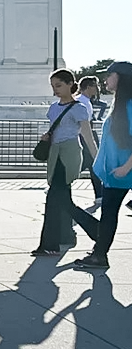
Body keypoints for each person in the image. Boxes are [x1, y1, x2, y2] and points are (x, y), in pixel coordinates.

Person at [70, 61, 132, 269]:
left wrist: (126, 167)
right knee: (108, 214)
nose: (105, 80)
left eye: (109, 75)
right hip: (117, 173)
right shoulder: (119, 105)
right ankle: (99, 255)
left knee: (109, 214)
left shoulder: (130, 106)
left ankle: (99, 255)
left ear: (121, 78)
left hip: (123, 172)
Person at [32, 69, 97, 256]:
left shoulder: (79, 108)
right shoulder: (53, 108)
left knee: (54, 199)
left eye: (59, 85)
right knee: (62, 199)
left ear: (70, 84)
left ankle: (50, 244)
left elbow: (87, 136)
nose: (55, 90)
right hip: (55, 153)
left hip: (69, 154)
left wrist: (97, 159)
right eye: (53, 86)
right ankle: (72, 235)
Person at [78, 76, 106, 213]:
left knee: (90, 164)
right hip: (85, 136)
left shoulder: (83, 101)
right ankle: (57, 184)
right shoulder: (83, 102)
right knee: (90, 163)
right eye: (95, 86)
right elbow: (85, 125)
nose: (97, 88)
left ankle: (99, 195)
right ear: (88, 87)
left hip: (84, 135)